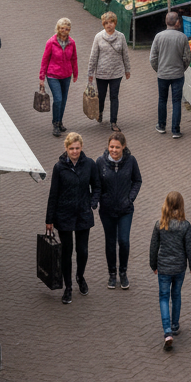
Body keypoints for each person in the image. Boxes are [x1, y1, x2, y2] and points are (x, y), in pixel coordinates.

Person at [46, 132, 99, 305]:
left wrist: (92, 202)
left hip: (83, 213)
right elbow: (53, 194)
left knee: (82, 251)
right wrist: (49, 219)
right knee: (67, 253)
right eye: (71, 149)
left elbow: (97, 186)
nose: (74, 152)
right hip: (64, 215)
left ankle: (80, 276)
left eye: (77, 148)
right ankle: (68, 286)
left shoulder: (90, 164)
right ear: (66, 149)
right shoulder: (59, 167)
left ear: (81, 147)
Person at [149, 191, 191, 350]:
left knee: (163, 297)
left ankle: (167, 331)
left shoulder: (159, 224)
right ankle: (175, 325)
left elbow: (153, 247)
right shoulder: (185, 225)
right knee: (176, 295)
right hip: (179, 267)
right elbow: (190, 247)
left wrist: (153, 264)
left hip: (163, 267)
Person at [96, 131, 142, 290]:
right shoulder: (100, 162)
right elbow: (96, 184)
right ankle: (112, 274)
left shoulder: (131, 161)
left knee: (123, 241)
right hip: (107, 210)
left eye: (117, 147)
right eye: (111, 147)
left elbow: (137, 180)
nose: (114, 150)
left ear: (123, 147)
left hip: (125, 209)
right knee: (110, 242)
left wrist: (130, 198)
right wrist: (100, 199)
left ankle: (123, 273)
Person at [149, 12, 191, 138]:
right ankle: (175, 130)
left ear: (166, 21)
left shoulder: (158, 37)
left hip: (162, 75)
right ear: (177, 22)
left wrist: (159, 69)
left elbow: (152, 58)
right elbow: (187, 57)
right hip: (178, 74)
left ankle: (161, 125)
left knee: (162, 99)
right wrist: (182, 69)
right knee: (176, 101)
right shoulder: (182, 37)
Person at [88, 11, 132, 132]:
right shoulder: (98, 37)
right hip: (101, 73)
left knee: (114, 96)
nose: (109, 25)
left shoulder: (121, 36)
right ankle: (100, 112)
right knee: (101, 96)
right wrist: (90, 73)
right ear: (103, 24)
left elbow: (125, 54)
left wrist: (127, 70)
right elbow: (93, 55)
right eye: (106, 23)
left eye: (111, 22)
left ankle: (113, 121)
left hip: (116, 73)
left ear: (115, 23)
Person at [41, 17, 79, 136]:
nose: (64, 30)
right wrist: (42, 77)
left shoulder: (72, 43)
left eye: (67, 28)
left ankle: (60, 121)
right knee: (58, 99)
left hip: (66, 75)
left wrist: (75, 73)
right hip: (53, 75)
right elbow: (45, 59)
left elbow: (74, 58)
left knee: (63, 100)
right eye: (62, 28)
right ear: (58, 28)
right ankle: (55, 124)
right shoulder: (51, 42)